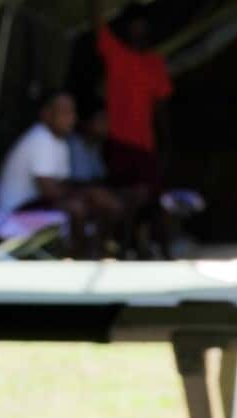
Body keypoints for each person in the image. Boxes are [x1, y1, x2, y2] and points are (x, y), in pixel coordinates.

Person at [0, 90, 122, 259]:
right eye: (65, 112)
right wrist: (89, 194)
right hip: (15, 211)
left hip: (36, 203)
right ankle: (78, 257)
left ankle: (97, 253)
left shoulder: (59, 142)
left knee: (98, 201)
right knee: (77, 206)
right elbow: (49, 190)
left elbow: (64, 184)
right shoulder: (40, 138)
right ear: (46, 114)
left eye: (73, 112)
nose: (72, 118)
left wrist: (92, 194)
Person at [93, 0, 174, 257]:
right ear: (127, 28)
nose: (139, 30)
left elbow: (161, 107)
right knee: (126, 199)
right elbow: (98, 25)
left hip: (144, 146)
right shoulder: (116, 54)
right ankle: (124, 249)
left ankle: (156, 250)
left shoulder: (154, 64)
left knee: (150, 199)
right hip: (118, 144)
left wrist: (165, 144)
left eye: (143, 26)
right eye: (134, 26)